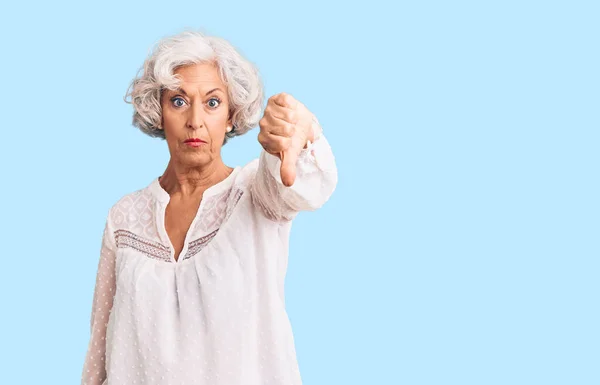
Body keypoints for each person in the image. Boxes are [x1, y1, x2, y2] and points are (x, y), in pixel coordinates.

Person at [80, 30, 337, 385]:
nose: (195, 120)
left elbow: (300, 186)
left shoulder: (256, 193)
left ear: (232, 115)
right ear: (158, 112)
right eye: (179, 101)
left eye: (213, 102)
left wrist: (304, 133)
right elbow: (99, 351)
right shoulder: (124, 217)